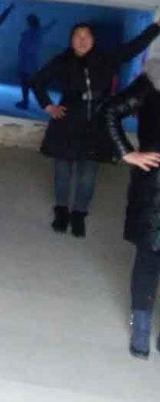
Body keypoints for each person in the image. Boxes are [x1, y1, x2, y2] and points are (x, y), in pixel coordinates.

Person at [31, 19, 160, 238]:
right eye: (77, 36)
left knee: (88, 176)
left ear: (93, 39)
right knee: (62, 172)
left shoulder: (106, 58)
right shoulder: (62, 61)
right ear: (71, 40)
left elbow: (134, 47)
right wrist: (48, 106)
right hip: (67, 123)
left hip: (96, 126)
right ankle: (61, 212)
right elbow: (37, 81)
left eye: (86, 36)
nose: (82, 40)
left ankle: (79, 214)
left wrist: (156, 27)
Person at [104, 59, 160, 358]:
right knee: (149, 256)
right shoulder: (153, 80)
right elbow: (111, 111)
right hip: (155, 186)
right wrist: (127, 152)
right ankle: (141, 324)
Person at [15, 13, 56, 110]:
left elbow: (27, 47)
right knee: (29, 82)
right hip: (30, 61)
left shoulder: (31, 32)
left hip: (27, 61)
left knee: (27, 82)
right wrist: (52, 23)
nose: (26, 23)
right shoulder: (36, 31)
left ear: (30, 22)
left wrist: (23, 55)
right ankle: (28, 101)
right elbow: (46, 29)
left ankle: (27, 102)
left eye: (27, 21)